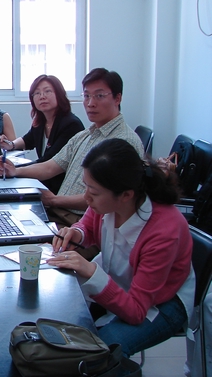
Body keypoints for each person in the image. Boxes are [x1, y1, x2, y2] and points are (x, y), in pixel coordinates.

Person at [47, 138, 195, 358]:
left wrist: (91, 272)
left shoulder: (165, 231)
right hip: (124, 283)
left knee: (104, 352)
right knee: (58, 312)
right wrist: (76, 233)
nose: (86, 197)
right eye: (86, 187)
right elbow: (88, 225)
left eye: (93, 192)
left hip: (163, 303)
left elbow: (136, 311)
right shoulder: (110, 200)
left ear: (126, 195)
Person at [0, 68, 144, 228]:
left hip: (80, 222)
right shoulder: (85, 135)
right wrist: (14, 171)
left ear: (117, 98)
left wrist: (54, 200)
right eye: (86, 96)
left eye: (99, 96)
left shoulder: (124, 142)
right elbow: (50, 167)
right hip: (58, 212)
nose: (90, 103)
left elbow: (107, 198)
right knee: (0, 219)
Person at [0, 74, 84, 193]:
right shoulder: (41, 121)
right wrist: (11, 144)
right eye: (37, 93)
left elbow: (48, 162)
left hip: (61, 188)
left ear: (59, 94)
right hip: (44, 183)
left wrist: (14, 169)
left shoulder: (70, 124)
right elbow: (28, 140)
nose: (42, 96)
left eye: (47, 91)